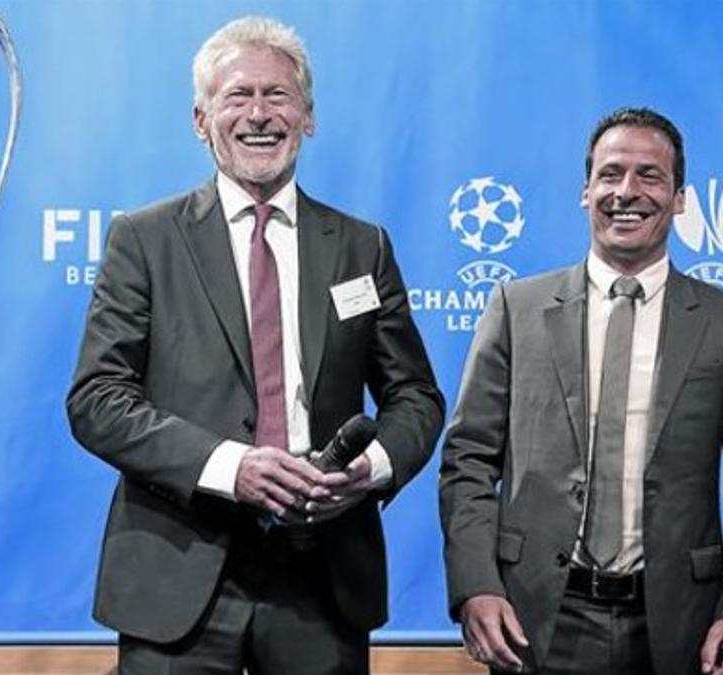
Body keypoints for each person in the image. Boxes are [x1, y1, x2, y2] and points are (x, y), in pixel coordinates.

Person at [66, 15, 444, 675]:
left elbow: (415, 395)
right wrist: (230, 465)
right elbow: (97, 398)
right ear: (201, 119)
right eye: (237, 96)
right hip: (177, 575)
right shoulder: (144, 240)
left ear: (309, 117)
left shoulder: (362, 246)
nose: (259, 114)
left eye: (278, 96)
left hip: (323, 578)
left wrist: (371, 468)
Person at [439, 107, 723, 675]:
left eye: (649, 175)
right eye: (610, 174)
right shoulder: (516, 308)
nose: (626, 192)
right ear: (585, 191)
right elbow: (469, 460)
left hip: (680, 625)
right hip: (536, 619)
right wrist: (476, 583)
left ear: (680, 197)